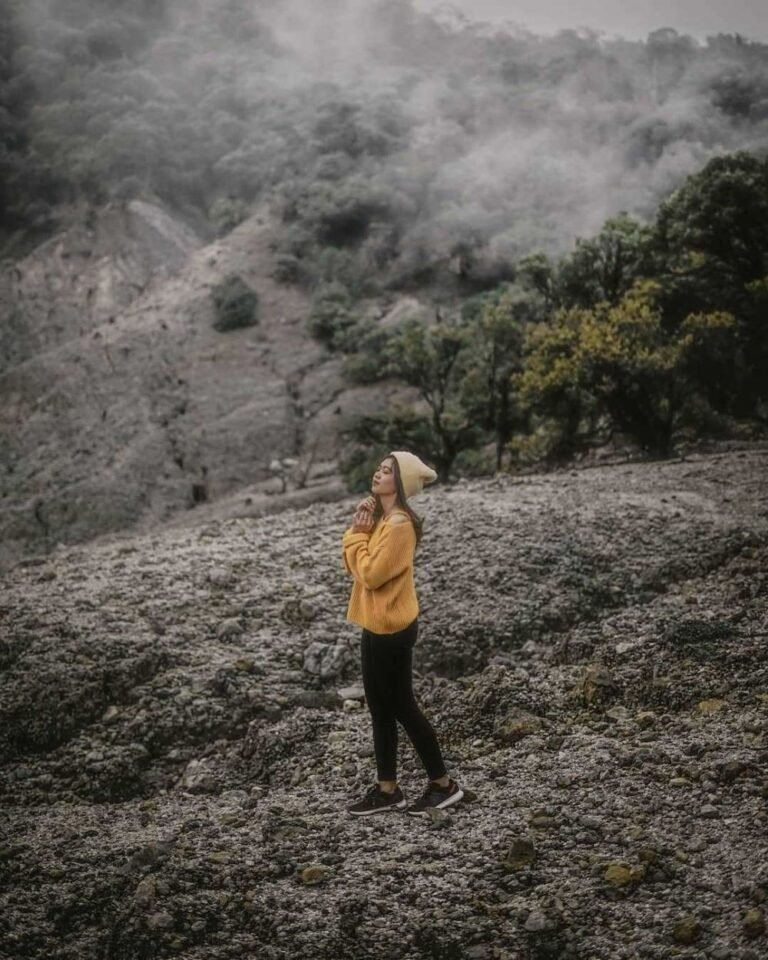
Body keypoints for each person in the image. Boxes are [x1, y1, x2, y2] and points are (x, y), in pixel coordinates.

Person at [341, 450, 464, 817]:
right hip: (376, 624)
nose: (377, 474)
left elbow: (370, 575)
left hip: (392, 629)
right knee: (379, 708)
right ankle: (387, 789)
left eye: (386, 470)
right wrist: (362, 531)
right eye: (379, 468)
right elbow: (360, 568)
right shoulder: (384, 520)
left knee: (402, 707)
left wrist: (355, 535)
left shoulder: (398, 525)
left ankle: (443, 785)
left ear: (400, 482)